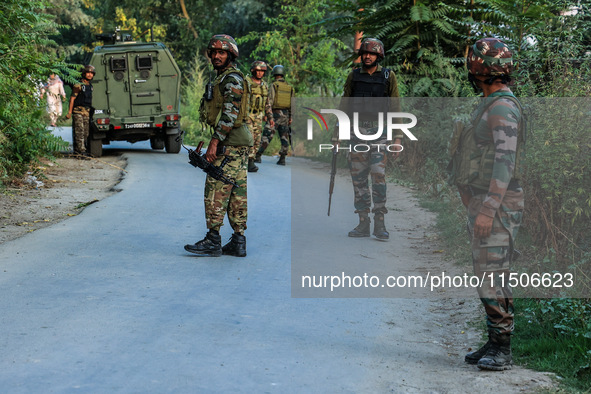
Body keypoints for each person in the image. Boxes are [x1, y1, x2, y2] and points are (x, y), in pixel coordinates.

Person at [458, 38, 525, 371]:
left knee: (491, 274)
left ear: (482, 68)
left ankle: (503, 348)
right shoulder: (489, 103)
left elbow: (505, 161)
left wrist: (487, 209)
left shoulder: (502, 107)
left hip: (497, 203)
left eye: (474, 60)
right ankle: (494, 339)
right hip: (487, 200)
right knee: (486, 272)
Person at [184, 34, 253, 257]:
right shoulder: (223, 78)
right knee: (236, 192)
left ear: (230, 55)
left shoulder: (231, 79)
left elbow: (230, 114)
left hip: (229, 143)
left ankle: (213, 239)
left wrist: (215, 142)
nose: (216, 56)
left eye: (221, 52)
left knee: (216, 188)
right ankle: (238, 241)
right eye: (213, 52)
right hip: (237, 144)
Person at [342, 38, 402, 241]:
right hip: (356, 133)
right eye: (365, 53)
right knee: (358, 179)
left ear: (379, 56)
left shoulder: (388, 76)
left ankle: (379, 222)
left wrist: (398, 137)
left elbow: (395, 107)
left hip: (380, 134)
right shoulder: (354, 76)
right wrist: (336, 134)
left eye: (372, 53)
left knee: (378, 176)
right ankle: (362, 222)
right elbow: (344, 105)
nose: (367, 56)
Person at [257, 65, 294, 165]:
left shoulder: (274, 85)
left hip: (275, 114)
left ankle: (258, 155)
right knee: (284, 137)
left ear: (274, 73)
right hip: (285, 115)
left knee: (267, 135)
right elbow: (292, 103)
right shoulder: (289, 87)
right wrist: (291, 117)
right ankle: (282, 158)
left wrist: (267, 114)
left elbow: (270, 101)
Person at [66, 65, 95, 156]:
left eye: (91, 73)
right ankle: (81, 151)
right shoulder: (78, 85)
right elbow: (72, 99)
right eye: (88, 73)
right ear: (84, 73)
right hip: (78, 111)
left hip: (86, 111)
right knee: (79, 131)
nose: (90, 75)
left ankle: (78, 151)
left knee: (86, 133)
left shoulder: (90, 86)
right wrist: (69, 112)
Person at [245, 61, 269, 172]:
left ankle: (251, 159)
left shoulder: (264, 85)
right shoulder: (247, 82)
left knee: (257, 139)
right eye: (258, 71)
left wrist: (270, 117)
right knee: (249, 137)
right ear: (253, 71)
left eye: (262, 71)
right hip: (248, 114)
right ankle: (248, 160)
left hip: (259, 115)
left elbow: (267, 103)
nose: (260, 73)